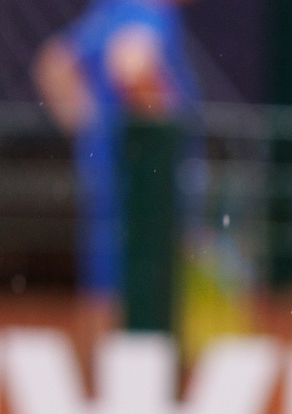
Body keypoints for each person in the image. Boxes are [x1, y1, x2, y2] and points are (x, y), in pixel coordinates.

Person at [30, 0, 199, 308]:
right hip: (144, 200)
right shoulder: (148, 13)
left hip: (108, 190)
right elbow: (132, 66)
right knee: (141, 308)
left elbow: (53, 65)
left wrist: (93, 130)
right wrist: (156, 140)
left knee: (103, 295)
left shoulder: (111, 10)